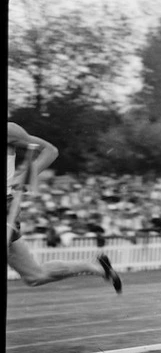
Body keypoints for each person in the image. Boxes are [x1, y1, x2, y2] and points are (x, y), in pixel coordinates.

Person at [6, 121, 122, 293]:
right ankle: (94, 266)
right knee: (35, 276)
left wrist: (23, 176)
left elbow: (50, 151)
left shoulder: (9, 130)